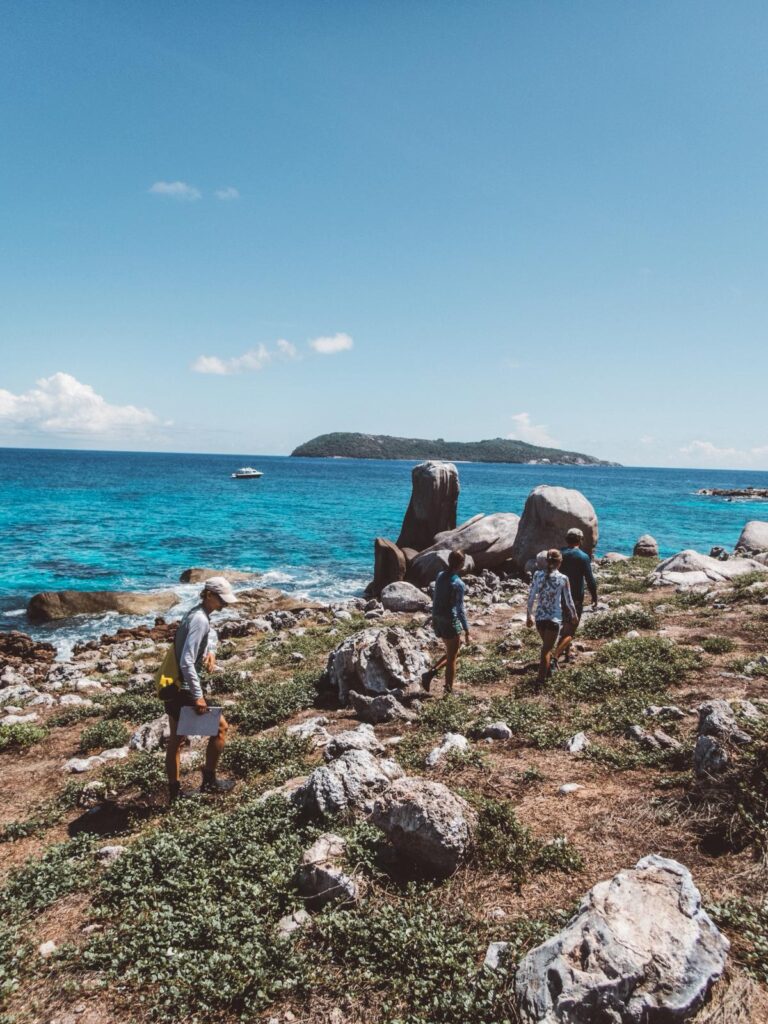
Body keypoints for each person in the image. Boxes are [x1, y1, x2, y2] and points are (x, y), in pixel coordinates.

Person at [164, 576, 238, 803]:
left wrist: (211, 649)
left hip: (173, 686)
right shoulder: (200, 619)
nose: (224, 603)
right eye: (221, 599)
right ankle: (209, 781)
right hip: (185, 688)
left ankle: (175, 794)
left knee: (176, 740)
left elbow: (208, 633)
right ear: (208, 595)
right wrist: (198, 696)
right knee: (221, 728)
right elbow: (187, 661)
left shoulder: (196, 613)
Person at [526, 548, 577, 690]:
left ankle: (547, 674)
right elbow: (569, 600)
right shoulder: (563, 578)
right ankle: (540, 683)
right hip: (554, 619)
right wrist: (574, 615)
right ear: (560, 562)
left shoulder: (537, 575)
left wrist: (529, 615)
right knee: (546, 650)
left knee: (546, 648)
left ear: (546, 561)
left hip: (540, 618)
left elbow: (531, 597)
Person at [422, 549, 470, 695]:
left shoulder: (440, 575)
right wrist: (467, 629)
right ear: (461, 564)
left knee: (454, 651)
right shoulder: (458, 583)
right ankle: (448, 691)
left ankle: (430, 673)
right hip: (450, 620)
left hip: (437, 618)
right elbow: (460, 609)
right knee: (452, 657)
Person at [555, 527, 598, 664]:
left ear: (567, 539)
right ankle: (555, 657)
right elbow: (590, 579)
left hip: (558, 596)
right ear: (580, 540)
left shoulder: (559, 554)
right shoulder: (583, 557)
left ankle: (567, 654)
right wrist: (594, 596)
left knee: (563, 625)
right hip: (575, 597)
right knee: (571, 628)